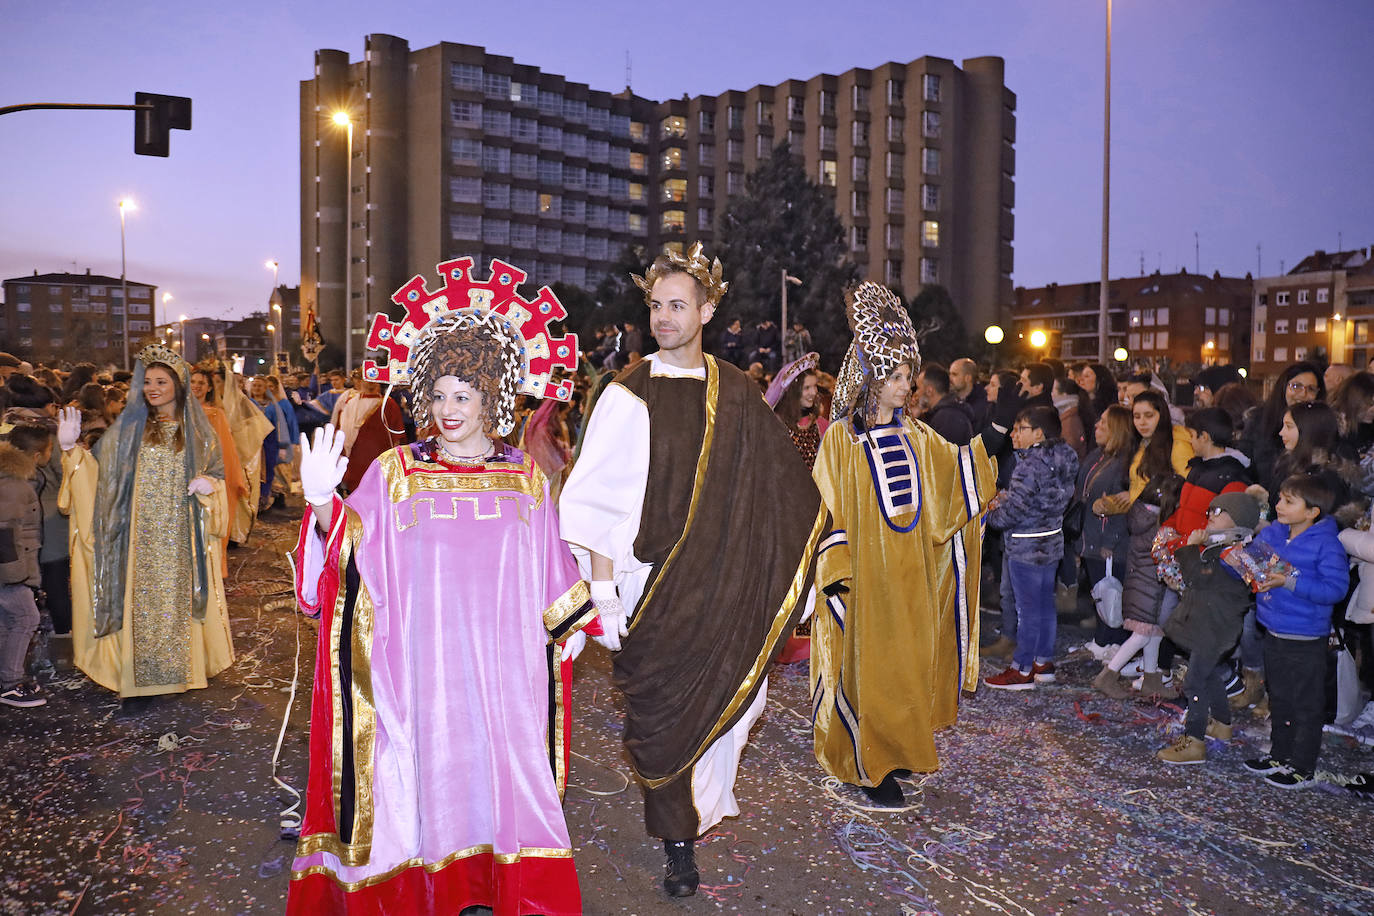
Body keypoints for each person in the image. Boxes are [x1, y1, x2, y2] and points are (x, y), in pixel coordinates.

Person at [287, 279, 596, 913]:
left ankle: (492, 886)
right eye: (438, 393)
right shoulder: (396, 473)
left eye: (465, 394)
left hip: (502, 682)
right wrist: (323, 506)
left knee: (501, 787)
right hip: (421, 681)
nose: (448, 407)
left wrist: (588, 620)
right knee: (427, 789)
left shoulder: (525, 480)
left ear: (493, 399)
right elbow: (353, 557)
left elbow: (552, 577)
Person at [559, 243, 823, 897]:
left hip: (726, 583)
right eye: (656, 305)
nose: (664, 318)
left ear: (707, 310)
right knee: (662, 725)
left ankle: (691, 819)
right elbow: (594, 502)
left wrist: (809, 574)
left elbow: (781, 489)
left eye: (678, 305)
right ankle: (678, 844)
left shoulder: (737, 390)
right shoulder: (628, 392)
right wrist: (602, 594)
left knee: (727, 712)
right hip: (653, 587)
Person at [810, 282, 1009, 806]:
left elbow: (953, 485)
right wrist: (838, 572)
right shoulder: (843, 441)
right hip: (867, 580)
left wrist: (991, 442)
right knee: (870, 671)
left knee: (907, 667)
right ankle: (865, 765)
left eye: (908, 378)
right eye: (895, 377)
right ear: (871, 380)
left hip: (913, 578)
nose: (905, 387)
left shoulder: (920, 437)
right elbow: (827, 509)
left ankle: (896, 753)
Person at [56, 346, 233, 698]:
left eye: (161, 381)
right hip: (136, 536)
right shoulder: (129, 430)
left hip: (182, 536)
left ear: (177, 385)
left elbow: (217, 475)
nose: (152, 388)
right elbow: (100, 475)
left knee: (177, 600)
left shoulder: (198, 431)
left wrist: (210, 487)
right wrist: (71, 452)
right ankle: (137, 674)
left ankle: (179, 671)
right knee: (138, 600)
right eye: (148, 381)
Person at [1244, 474, 1349, 788]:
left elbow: (1334, 589)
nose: (1279, 506)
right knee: (1280, 697)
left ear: (1312, 511)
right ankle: (1279, 755)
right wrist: (1237, 557)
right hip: (1273, 630)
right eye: (1279, 499)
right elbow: (1254, 558)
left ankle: (1302, 766)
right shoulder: (1275, 532)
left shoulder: (1326, 543)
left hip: (1305, 637)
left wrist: (1288, 581)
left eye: (1289, 502)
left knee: (1306, 703)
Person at [1156, 491, 1261, 764]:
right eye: (1210, 512)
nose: (1210, 517)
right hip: (1209, 625)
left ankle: (1194, 741)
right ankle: (1223, 725)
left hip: (1214, 629)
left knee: (1195, 682)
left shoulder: (1234, 554)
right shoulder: (1221, 548)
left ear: (1237, 520)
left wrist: (1190, 548)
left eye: (1218, 513)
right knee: (1213, 675)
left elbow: (1199, 578)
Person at [983, 405, 1080, 690]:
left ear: (1038, 433)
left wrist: (992, 512)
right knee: (1043, 605)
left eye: (1020, 429)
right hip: (1050, 540)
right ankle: (1042, 661)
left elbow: (1015, 511)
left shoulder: (1029, 464)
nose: (1014, 434)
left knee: (1026, 610)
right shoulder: (1067, 457)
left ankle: (1021, 668)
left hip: (1025, 545)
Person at [1079, 405, 1137, 657]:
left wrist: (1111, 541)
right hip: (1091, 536)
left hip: (1107, 541)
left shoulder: (1124, 463)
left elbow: (1122, 506)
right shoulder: (1099, 456)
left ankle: (1114, 643)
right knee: (1101, 591)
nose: (1097, 426)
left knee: (1111, 590)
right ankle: (1103, 640)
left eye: (1104, 423)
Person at [189, 368, 248, 569]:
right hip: (184, 473)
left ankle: (211, 570)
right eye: (193, 381)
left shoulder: (216, 414)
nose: (196, 386)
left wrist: (229, 478)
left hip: (207, 475)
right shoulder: (178, 411)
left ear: (208, 388)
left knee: (208, 525)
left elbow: (225, 449)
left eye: (201, 383)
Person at [0, 435, 44, 707]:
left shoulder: (10, 481)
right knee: (27, 618)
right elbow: (7, 533)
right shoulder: (13, 485)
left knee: (7, 622)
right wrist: (17, 576)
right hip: (10, 570)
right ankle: (11, 683)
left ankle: (6, 679)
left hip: (8, 568)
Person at [1238, 361, 1324, 494]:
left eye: (1311, 389)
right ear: (1283, 387)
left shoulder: (1321, 428)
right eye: (1296, 386)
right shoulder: (1259, 420)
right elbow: (1242, 464)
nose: (1303, 394)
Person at [766, 352, 830, 470]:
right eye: (807, 388)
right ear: (793, 393)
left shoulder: (822, 425)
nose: (814, 392)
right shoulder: (776, 426)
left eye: (815, 386)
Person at [916, 363, 974, 445]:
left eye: (918, 388)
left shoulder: (948, 419)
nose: (916, 393)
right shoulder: (942, 415)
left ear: (929, 391)